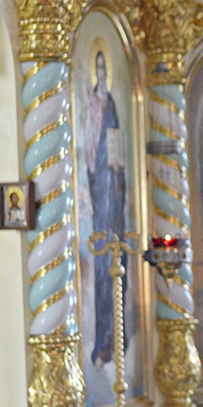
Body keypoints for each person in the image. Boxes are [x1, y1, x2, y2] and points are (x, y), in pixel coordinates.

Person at [84, 50, 127, 369]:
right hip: (99, 193)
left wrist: (116, 171)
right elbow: (89, 153)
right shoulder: (92, 108)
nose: (100, 72)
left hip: (113, 191)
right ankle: (102, 342)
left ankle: (116, 341)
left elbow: (117, 148)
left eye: (103, 67)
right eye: (97, 67)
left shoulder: (111, 104)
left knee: (119, 262)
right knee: (102, 271)